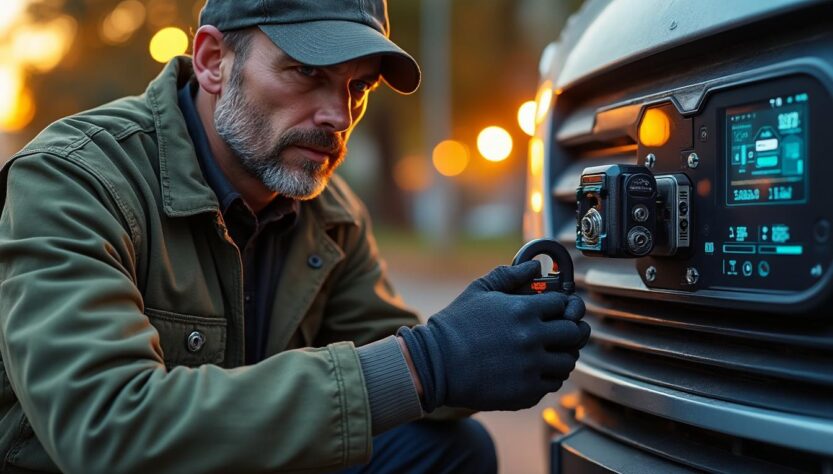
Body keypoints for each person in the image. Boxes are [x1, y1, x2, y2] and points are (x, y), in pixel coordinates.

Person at [0, 1, 590, 472]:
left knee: (450, 448)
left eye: (358, 88)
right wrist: (428, 361)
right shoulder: (75, 179)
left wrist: (494, 338)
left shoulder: (330, 214)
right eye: (308, 72)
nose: (338, 114)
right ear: (212, 61)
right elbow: (104, 428)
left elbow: (405, 362)